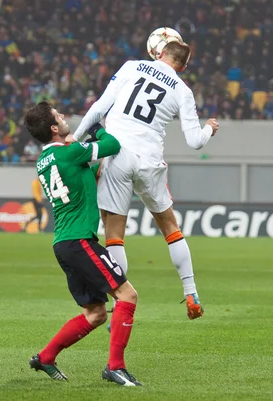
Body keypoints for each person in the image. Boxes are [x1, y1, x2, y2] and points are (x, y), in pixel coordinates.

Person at [70, 41, 219, 319]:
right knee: (170, 226)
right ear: (183, 67)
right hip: (150, 160)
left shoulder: (132, 66)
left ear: (159, 53)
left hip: (117, 154)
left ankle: (119, 304)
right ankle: (191, 293)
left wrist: (74, 139)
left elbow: (99, 108)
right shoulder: (183, 91)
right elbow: (195, 142)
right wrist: (209, 128)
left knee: (114, 235)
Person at [24, 101, 142, 386]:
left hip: (64, 243)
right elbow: (112, 144)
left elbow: (84, 175)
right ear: (54, 128)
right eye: (58, 116)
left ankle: (46, 357)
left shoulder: (44, 161)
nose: (64, 117)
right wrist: (99, 128)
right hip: (79, 241)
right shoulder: (71, 152)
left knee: (95, 313)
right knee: (127, 296)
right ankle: (115, 366)